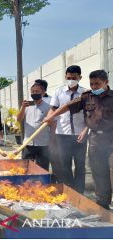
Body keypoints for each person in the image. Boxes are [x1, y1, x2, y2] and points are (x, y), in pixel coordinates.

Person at [44, 70, 113, 209]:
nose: (94, 87)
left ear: (106, 82)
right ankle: (103, 203)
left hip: (111, 138)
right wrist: (52, 116)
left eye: (97, 84)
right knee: (98, 172)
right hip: (95, 139)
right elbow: (68, 107)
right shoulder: (87, 97)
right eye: (92, 84)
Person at [48, 65, 88, 193]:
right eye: (69, 77)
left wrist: (86, 130)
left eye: (74, 78)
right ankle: (70, 191)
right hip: (62, 134)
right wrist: (48, 119)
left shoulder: (86, 93)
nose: (71, 80)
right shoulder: (58, 92)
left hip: (79, 134)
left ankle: (79, 191)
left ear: (80, 77)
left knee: (80, 166)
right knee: (65, 165)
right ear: (65, 77)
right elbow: (53, 109)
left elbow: (90, 114)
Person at [17, 83, 52, 171]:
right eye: (32, 92)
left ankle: (42, 184)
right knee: (26, 168)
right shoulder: (27, 106)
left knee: (42, 169)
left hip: (43, 144)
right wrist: (23, 108)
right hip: (28, 143)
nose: (34, 93)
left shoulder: (48, 107)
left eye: (37, 91)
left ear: (43, 93)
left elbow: (52, 123)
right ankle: (26, 184)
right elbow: (19, 119)